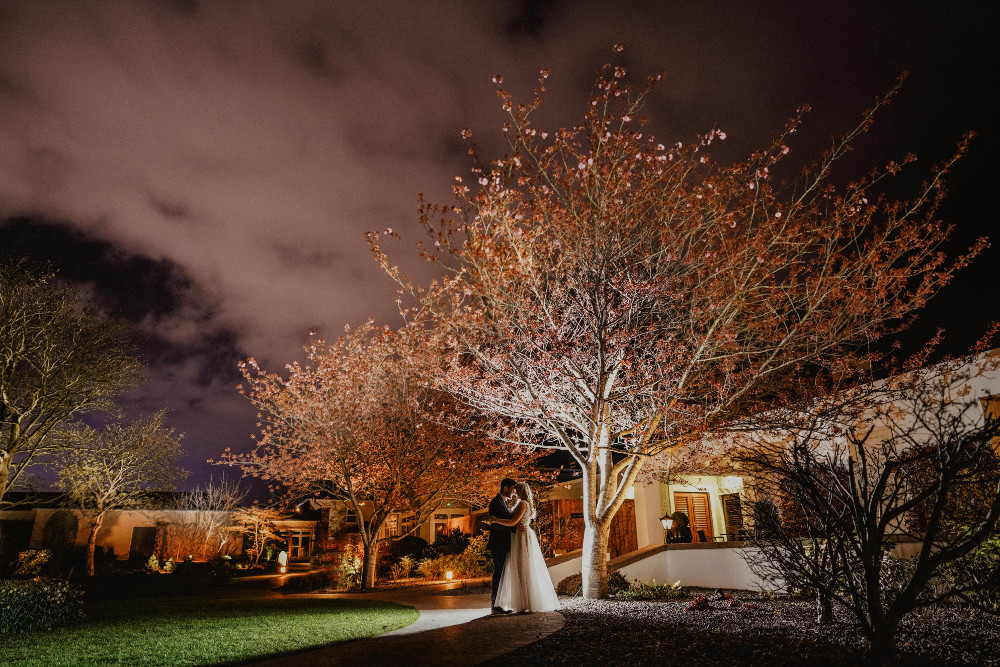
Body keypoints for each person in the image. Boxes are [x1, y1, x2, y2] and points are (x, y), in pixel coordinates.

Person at [492, 481, 559, 613]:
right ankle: (522, 601)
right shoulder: (521, 503)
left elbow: (512, 521)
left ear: (521, 491)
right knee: (521, 568)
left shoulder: (523, 503)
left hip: (521, 537)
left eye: (516, 490)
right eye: (514, 490)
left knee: (523, 568)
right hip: (517, 536)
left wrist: (495, 520)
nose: (514, 493)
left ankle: (525, 602)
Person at [487, 477, 518, 615]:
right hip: (498, 544)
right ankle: (495, 604)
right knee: (498, 573)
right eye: (512, 489)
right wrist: (514, 529)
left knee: (502, 573)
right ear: (505, 488)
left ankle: (500, 603)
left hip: (504, 544)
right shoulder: (495, 502)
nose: (513, 492)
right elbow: (496, 525)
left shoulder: (504, 502)